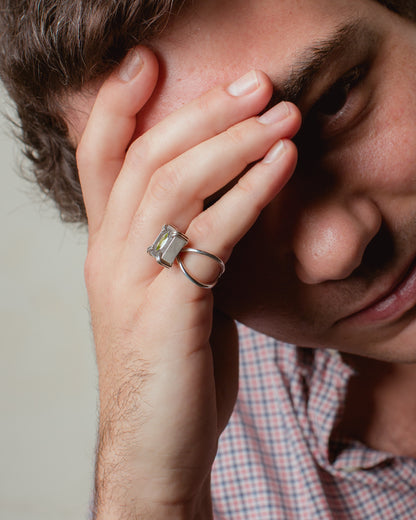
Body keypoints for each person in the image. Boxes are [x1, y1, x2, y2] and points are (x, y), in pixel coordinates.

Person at [2, 0, 416, 518]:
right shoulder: (184, 446)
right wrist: (153, 500)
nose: (334, 250)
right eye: (214, 206)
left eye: (335, 100)